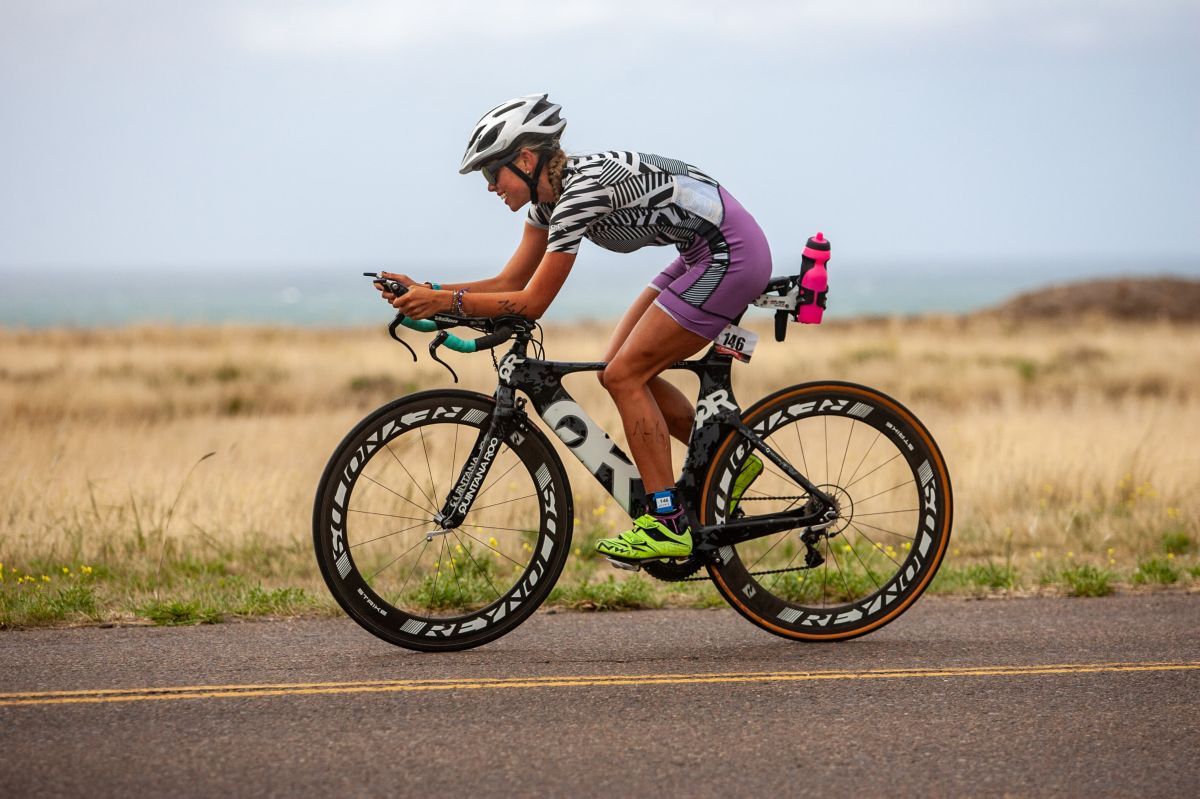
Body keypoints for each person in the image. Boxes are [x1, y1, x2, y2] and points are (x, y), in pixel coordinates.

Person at [379, 93, 771, 563]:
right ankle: (730, 459)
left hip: (731, 255)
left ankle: (668, 524)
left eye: (491, 172)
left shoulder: (581, 193)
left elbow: (533, 303)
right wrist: (428, 291)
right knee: (617, 369)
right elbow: (509, 282)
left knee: (625, 375)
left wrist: (444, 301)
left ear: (526, 159)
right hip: (699, 254)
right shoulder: (549, 203)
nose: (489, 187)